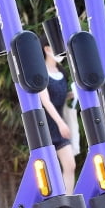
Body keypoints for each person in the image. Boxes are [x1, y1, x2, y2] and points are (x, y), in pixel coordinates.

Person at [38, 34, 77, 190]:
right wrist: (61, 123)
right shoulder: (41, 73)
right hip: (46, 126)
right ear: (47, 49)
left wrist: (72, 95)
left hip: (59, 126)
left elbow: (58, 96)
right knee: (46, 172)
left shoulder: (61, 72)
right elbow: (45, 101)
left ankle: (69, 206)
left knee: (70, 165)